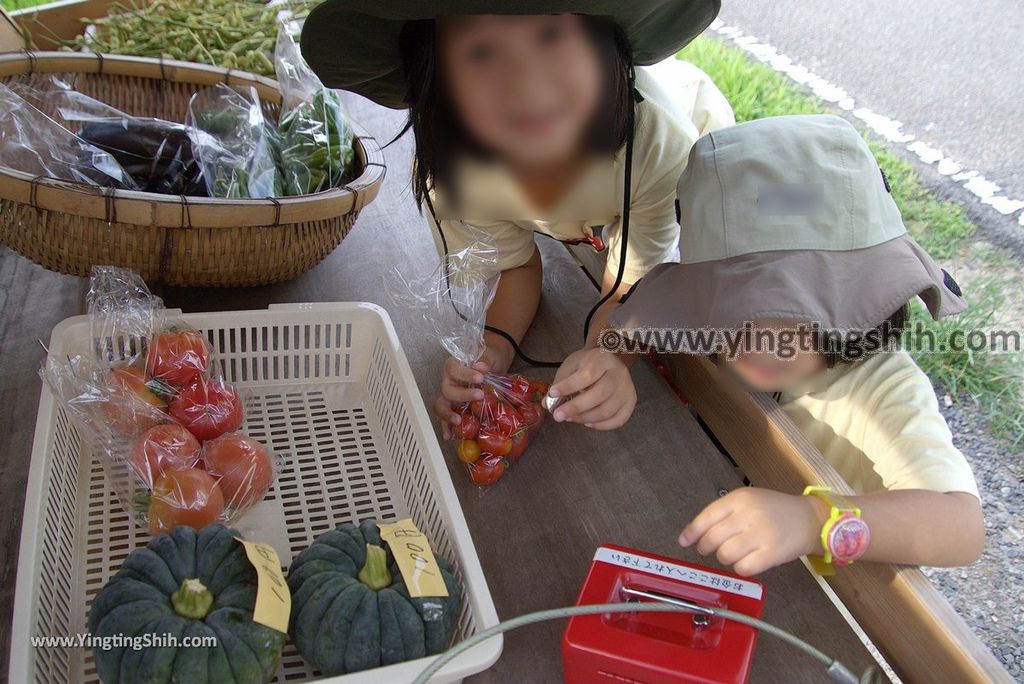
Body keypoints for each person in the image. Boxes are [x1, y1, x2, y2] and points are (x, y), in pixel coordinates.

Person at [301, 1, 735, 435]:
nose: (526, 83)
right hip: (581, 209)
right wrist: (493, 349)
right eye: (481, 53)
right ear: (435, 75)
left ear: (604, 44)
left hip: (687, 165)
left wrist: (609, 354)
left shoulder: (663, 149)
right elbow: (512, 268)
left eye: (549, 35)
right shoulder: (454, 175)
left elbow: (632, 285)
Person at [611, 114, 984, 576]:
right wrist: (611, 360)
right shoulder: (703, 337)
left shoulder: (882, 385)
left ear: (858, 299)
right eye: (733, 309)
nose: (760, 348)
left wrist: (814, 522)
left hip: (821, 600)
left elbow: (963, 526)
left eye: (794, 315)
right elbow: (636, 326)